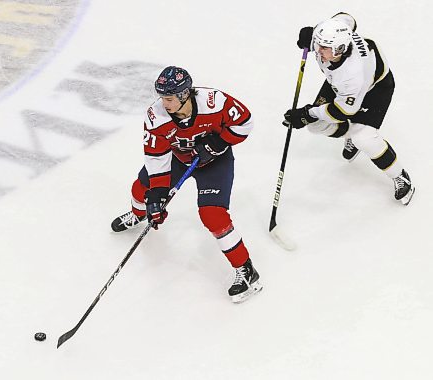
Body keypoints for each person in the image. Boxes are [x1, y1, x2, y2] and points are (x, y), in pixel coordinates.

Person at [111, 66, 262, 303]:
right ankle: (139, 215)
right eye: (162, 98)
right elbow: (155, 156)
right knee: (140, 190)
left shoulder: (215, 102)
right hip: (178, 159)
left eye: (169, 98)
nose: (164, 104)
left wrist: (219, 142)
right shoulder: (155, 117)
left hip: (215, 163)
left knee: (213, 216)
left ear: (184, 95)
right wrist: (157, 196)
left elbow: (245, 122)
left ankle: (247, 271)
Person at [283, 12, 415, 205]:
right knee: (316, 126)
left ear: (340, 49)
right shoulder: (334, 40)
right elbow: (347, 18)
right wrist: (312, 34)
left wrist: (308, 113)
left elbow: (343, 111)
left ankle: (400, 176)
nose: (318, 50)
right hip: (338, 84)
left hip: (375, 90)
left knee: (364, 138)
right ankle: (349, 136)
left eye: (324, 47)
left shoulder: (352, 75)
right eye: (318, 43)